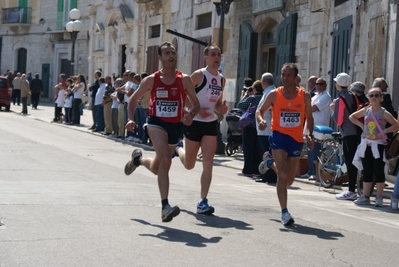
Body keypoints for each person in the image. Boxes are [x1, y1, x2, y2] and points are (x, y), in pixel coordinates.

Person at [124, 42, 200, 222]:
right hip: (156, 123)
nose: (171, 56)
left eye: (173, 52)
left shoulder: (185, 80)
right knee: (167, 159)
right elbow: (134, 99)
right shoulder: (151, 80)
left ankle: (138, 160)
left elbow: (196, 104)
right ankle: (165, 206)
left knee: (159, 167)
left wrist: (191, 114)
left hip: (176, 126)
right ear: (160, 57)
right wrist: (130, 118)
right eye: (166, 53)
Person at [256, 63, 314, 226]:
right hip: (278, 136)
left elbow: (309, 117)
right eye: (283, 75)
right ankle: (284, 212)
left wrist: (309, 134)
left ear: (296, 78)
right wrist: (261, 121)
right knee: (282, 174)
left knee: (289, 180)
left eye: (288, 75)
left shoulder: (305, 96)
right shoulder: (275, 94)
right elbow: (259, 110)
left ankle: (269, 162)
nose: (285, 78)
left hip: (296, 139)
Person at [174, 44, 228, 215]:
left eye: (218, 54)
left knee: (208, 163)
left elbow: (217, 103)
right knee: (189, 165)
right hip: (194, 122)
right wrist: (197, 110)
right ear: (206, 58)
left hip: (211, 123)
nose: (216, 57)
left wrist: (221, 109)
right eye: (213, 54)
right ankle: (178, 147)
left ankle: (203, 201)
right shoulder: (198, 75)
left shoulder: (221, 79)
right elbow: (181, 96)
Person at [350, 87, 398, 206]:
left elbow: (396, 125)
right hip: (366, 144)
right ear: (368, 98)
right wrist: (362, 126)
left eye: (377, 95)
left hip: (379, 145)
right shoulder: (366, 110)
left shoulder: (384, 112)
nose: (374, 98)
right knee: (367, 170)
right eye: (371, 95)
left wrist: (384, 131)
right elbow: (352, 117)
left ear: (381, 98)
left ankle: (379, 197)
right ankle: (365, 196)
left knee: (378, 171)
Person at [330, 73, 359, 201]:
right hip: (356, 131)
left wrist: (332, 110)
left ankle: (351, 191)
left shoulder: (340, 98)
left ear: (338, 84)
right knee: (354, 162)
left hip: (347, 132)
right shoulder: (352, 95)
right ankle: (354, 189)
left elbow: (338, 120)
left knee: (349, 161)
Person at [299, 78, 332, 180]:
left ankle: (314, 172)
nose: (318, 86)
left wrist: (305, 107)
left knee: (315, 150)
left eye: (321, 84)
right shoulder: (316, 96)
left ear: (325, 85)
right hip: (310, 126)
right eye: (316, 84)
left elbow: (313, 108)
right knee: (309, 150)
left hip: (319, 127)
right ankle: (310, 171)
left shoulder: (326, 96)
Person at [237, 80, 263, 177]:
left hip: (249, 126)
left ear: (255, 89)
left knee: (248, 149)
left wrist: (244, 95)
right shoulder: (264, 98)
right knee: (257, 149)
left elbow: (240, 105)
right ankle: (257, 170)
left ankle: (247, 170)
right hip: (260, 127)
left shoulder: (252, 98)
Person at [255, 73, 276, 183]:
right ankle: (265, 175)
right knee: (265, 153)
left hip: (267, 129)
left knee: (267, 154)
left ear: (264, 82)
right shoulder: (267, 92)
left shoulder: (270, 93)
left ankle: (269, 176)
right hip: (264, 129)